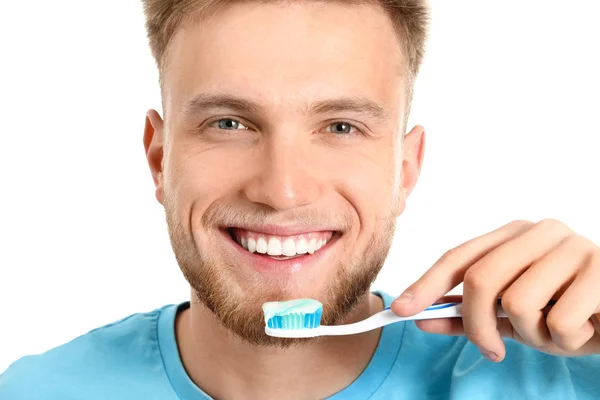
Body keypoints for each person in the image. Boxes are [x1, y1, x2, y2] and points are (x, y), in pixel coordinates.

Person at [1, 1, 599, 399]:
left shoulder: (564, 379)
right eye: (229, 123)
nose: (282, 192)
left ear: (406, 168)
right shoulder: (34, 391)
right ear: (159, 159)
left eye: (341, 127)